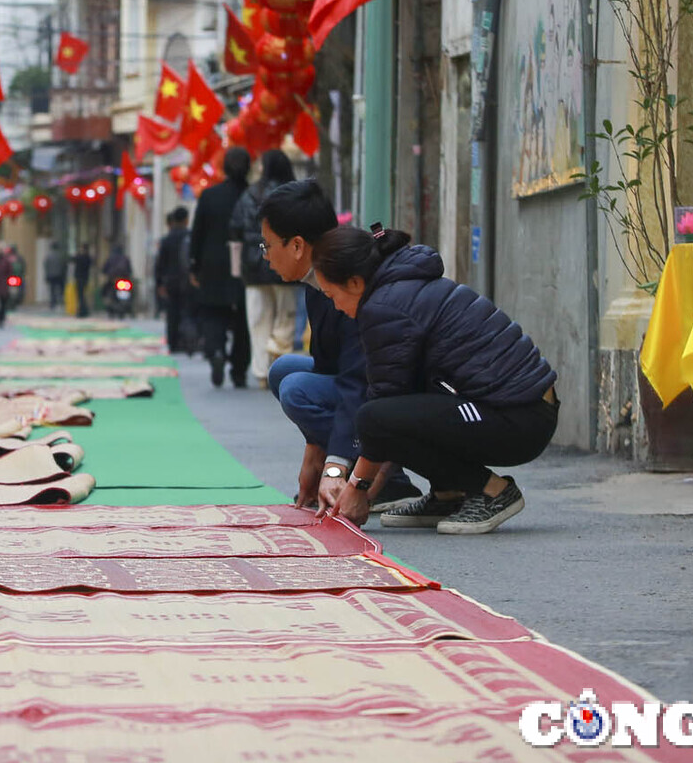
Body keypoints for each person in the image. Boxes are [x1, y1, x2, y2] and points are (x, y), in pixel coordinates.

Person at [309, 225, 560, 535]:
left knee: (375, 416)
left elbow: (381, 414)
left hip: (521, 416)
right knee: (393, 412)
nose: (334, 306)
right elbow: (401, 401)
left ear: (355, 282)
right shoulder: (397, 289)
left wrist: (357, 489)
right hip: (521, 409)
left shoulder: (383, 307)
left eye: (332, 295)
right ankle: (448, 494)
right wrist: (365, 488)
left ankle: (494, 491)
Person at [257, 182, 417, 520]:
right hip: (367, 386)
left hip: (400, 394)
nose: (266, 256)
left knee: (296, 388)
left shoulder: (346, 280)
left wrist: (334, 467)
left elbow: (356, 381)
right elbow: (330, 365)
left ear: (297, 245)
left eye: (268, 245)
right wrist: (313, 454)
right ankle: (367, 468)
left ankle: (383, 477)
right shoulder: (317, 279)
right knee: (284, 369)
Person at [189, 146, 253, 387]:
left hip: (212, 263)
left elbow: (197, 234)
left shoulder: (209, 196)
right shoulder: (253, 196)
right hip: (246, 264)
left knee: (213, 313)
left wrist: (194, 265)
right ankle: (239, 369)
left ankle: (216, 351)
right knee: (244, 319)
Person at [231, 149, 295, 385]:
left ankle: (261, 373)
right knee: (285, 316)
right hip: (286, 261)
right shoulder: (294, 192)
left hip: (253, 262)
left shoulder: (250, 193)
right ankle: (278, 352)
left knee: (258, 321)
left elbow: (235, 227)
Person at [155, 207, 192, 353]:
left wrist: (160, 283)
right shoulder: (190, 237)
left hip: (170, 282)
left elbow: (160, 264)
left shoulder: (166, 240)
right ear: (186, 220)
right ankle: (188, 341)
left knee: (172, 313)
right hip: (187, 281)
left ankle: (173, 342)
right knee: (187, 312)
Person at [44, 245, 68, 312]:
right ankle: (60, 303)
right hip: (59, 275)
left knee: (52, 290)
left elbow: (46, 266)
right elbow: (64, 266)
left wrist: (47, 275)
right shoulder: (61, 256)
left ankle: (53, 304)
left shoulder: (48, 256)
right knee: (60, 290)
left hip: (51, 276)